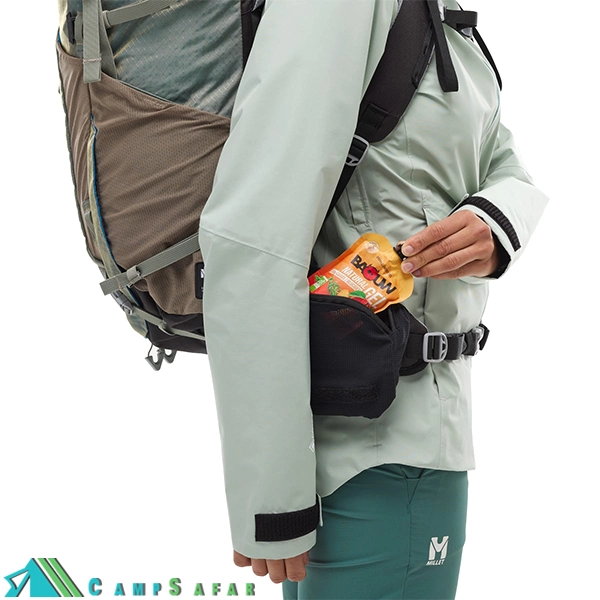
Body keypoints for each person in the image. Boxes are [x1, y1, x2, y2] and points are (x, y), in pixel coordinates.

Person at [198, 0, 548, 598]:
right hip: (371, 458)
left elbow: (503, 161)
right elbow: (253, 236)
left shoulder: (438, 10)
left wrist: (496, 222)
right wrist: (273, 502)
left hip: (420, 442)